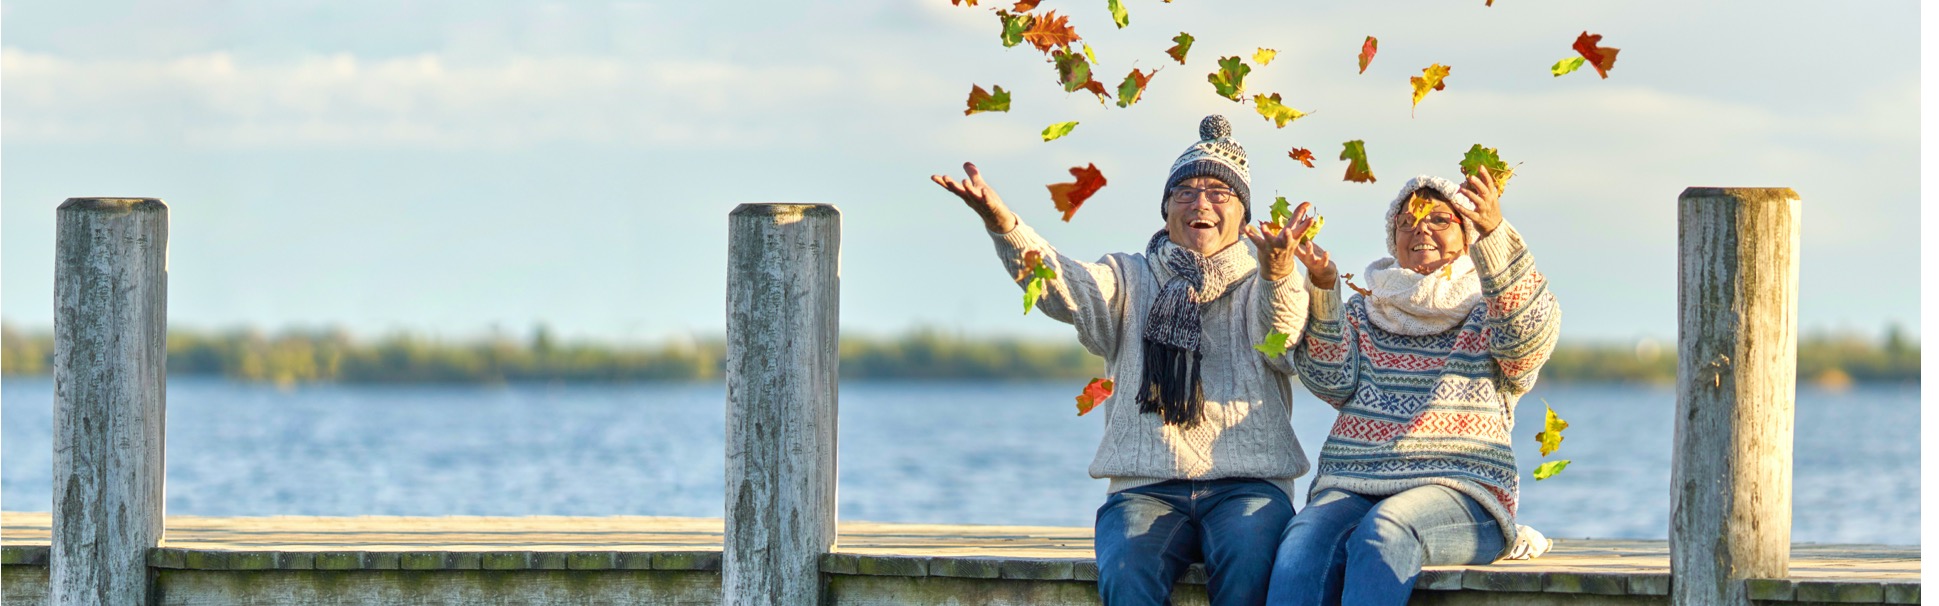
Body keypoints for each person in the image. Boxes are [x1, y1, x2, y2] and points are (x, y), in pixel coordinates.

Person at [931, 115, 1317, 606]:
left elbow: (1282, 345)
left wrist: (1280, 273)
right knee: (1127, 578)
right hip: (1146, 488)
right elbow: (1063, 287)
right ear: (1166, 211)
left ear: (1243, 216)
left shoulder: (1267, 278)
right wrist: (1005, 226)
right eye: (1185, 192)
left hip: (1250, 487)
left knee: (1250, 574)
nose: (1201, 203)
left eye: (1219, 193)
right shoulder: (1128, 277)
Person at [1264, 169, 1561, 606]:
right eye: (1407, 220)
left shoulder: (1489, 310)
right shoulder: (1365, 311)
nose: (1420, 227)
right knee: (1300, 542)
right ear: (1394, 238)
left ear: (1467, 235)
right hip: (1355, 482)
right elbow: (1332, 382)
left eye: (1438, 218)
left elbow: (1525, 341)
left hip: (1464, 490)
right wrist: (1324, 291)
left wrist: (1495, 233)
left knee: (1386, 530)